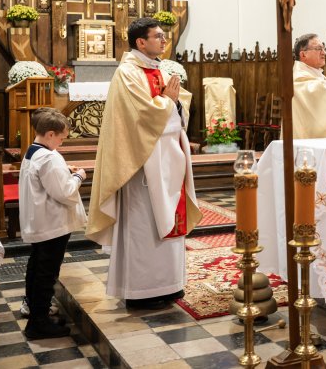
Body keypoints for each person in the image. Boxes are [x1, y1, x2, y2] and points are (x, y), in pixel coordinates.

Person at [87, 17, 202, 310]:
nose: (164, 41)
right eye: (158, 36)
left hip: (169, 159)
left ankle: (170, 284)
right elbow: (141, 116)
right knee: (143, 226)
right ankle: (142, 290)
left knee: (170, 221)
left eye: (164, 36)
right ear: (141, 42)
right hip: (141, 163)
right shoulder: (127, 74)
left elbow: (177, 107)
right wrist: (168, 102)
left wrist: (175, 103)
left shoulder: (160, 70)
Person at [19, 108, 87, 339]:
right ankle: (39, 323)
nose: (62, 142)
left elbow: (45, 179)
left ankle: (36, 312)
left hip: (41, 222)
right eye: (61, 138)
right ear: (50, 134)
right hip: (52, 224)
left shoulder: (34, 151)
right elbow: (65, 192)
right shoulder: (49, 157)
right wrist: (78, 176)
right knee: (46, 273)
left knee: (37, 267)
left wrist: (64, 170)